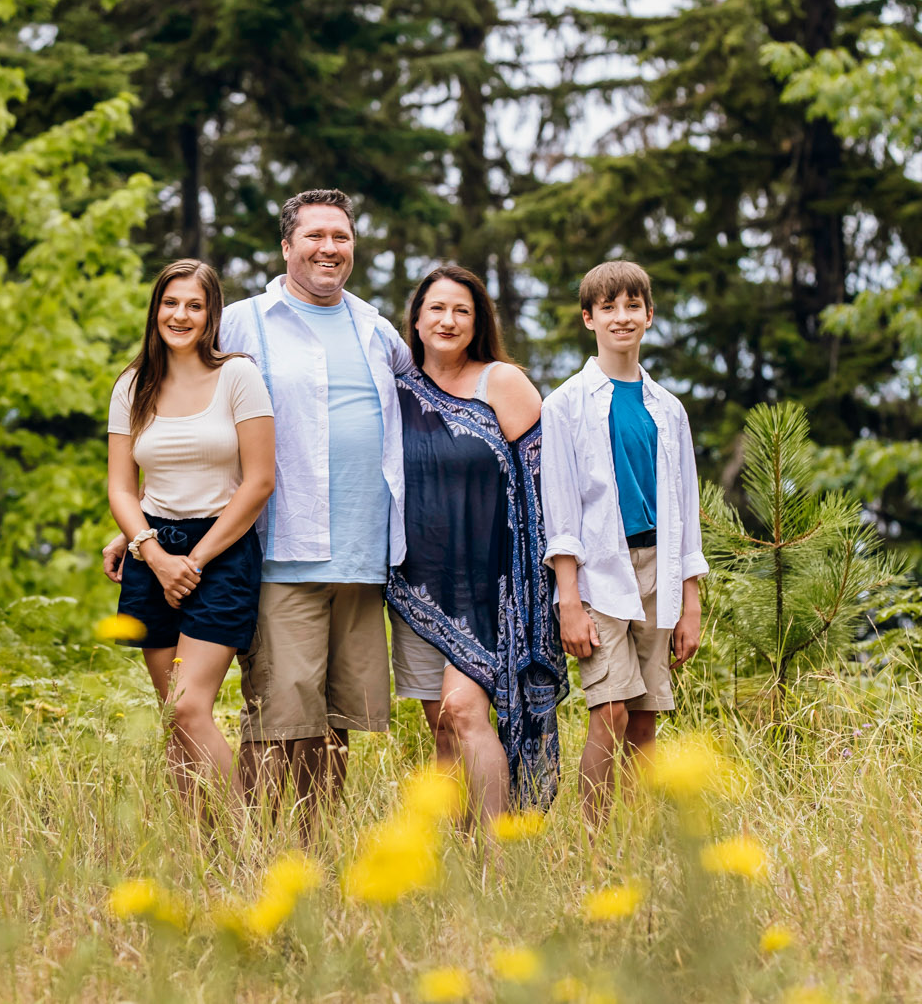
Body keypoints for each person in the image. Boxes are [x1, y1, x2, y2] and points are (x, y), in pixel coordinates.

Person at [112, 189, 412, 828]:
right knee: (278, 721)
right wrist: (149, 528)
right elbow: (182, 401)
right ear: (286, 247)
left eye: (341, 237)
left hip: (365, 557)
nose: (329, 248)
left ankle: (315, 849)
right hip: (279, 551)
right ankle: (258, 852)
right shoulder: (244, 322)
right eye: (314, 236)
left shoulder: (378, 331)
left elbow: (425, 421)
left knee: (336, 722)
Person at [387, 264, 563, 823]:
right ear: (415, 319)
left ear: (477, 321)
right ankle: (453, 869)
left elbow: (546, 489)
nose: (448, 319)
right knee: (440, 726)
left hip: (496, 587)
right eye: (436, 308)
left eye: (462, 310)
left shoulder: (502, 382)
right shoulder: (395, 392)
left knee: (466, 712)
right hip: (416, 588)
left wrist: (555, 588)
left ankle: (497, 860)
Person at [103, 258, 275, 813]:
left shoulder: (238, 376)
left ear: (211, 314)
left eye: (194, 306)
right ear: (156, 310)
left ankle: (255, 842)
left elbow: (259, 482)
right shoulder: (132, 386)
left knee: (187, 706)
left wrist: (194, 561)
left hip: (220, 552)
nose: (180, 315)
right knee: (171, 714)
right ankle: (204, 855)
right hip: (152, 552)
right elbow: (121, 489)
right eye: (170, 303)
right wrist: (153, 554)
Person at [539, 260, 706, 825]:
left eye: (632, 306)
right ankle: (594, 842)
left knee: (645, 716)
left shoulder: (669, 410)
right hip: (597, 574)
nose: (621, 317)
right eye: (608, 307)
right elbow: (559, 510)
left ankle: (636, 841)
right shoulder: (565, 405)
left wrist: (691, 602)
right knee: (608, 710)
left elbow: (685, 510)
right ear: (589, 318)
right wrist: (569, 601)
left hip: (661, 569)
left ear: (649, 316)